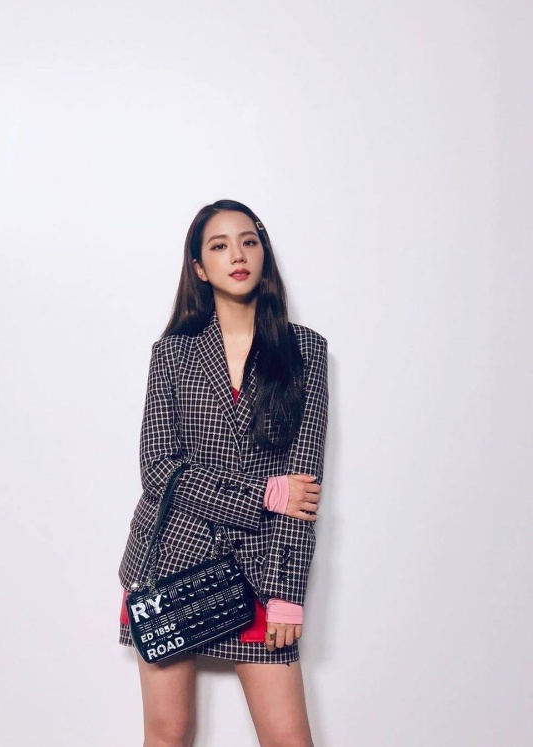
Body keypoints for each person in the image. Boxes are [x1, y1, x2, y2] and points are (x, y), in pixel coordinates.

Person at [118, 199, 329, 747]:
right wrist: (264, 494)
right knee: (168, 734)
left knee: (288, 739)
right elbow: (159, 471)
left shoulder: (305, 351)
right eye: (219, 246)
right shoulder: (172, 354)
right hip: (171, 562)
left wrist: (287, 594)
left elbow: (303, 487)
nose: (237, 255)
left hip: (264, 569)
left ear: (263, 254)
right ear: (200, 268)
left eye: (248, 241)